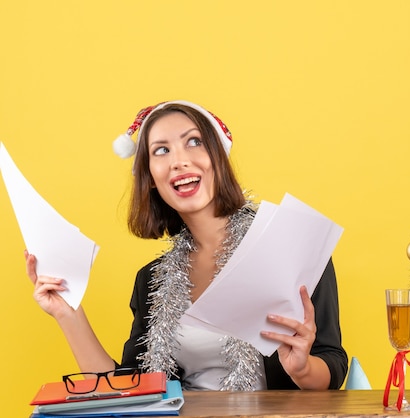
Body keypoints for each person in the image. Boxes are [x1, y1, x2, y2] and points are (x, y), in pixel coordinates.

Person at [25, 100, 348, 391]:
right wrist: (68, 314)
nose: (179, 161)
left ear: (217, 157)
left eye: (194, 142)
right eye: (161, 151)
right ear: (151, 177)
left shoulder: (288, 245)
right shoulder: (151, 280)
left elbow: (331, 364)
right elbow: (126, 390)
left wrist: (302, 369)